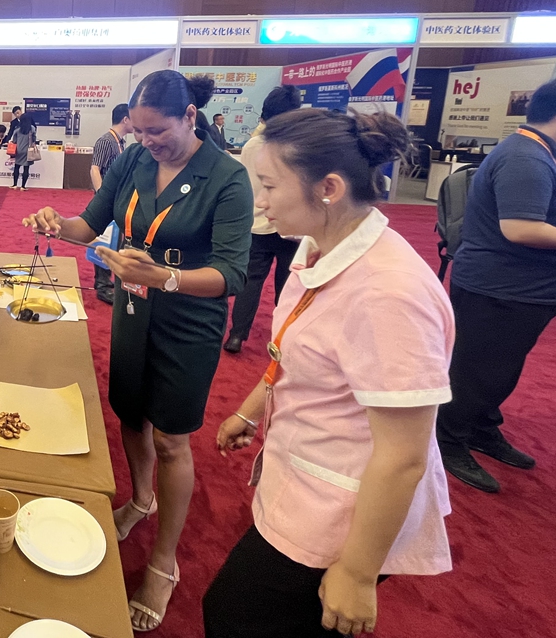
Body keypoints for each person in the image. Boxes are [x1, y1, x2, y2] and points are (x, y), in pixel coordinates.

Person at [208, 108, 453, 638]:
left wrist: (359, 573)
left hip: (346, 508)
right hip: (306, 468)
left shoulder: (390, 293)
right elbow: (295, 345)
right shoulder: (321, 245)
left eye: (270, 185)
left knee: (233, 615)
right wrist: (252, 408)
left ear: (329, 188)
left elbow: (405, 456)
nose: (261, 201)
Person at [24, 71, 252, 632]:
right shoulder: (132, 161)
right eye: (141, 131)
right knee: (130, 412)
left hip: (187, 321)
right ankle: (142, 499)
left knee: (173, 439)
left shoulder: (227, 177)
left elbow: (232, 273)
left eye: (159, 131)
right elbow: (90, 223)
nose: (148, 141)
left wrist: (166, 277)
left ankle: (163, 561)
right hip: (132, 308)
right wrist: (58, 225)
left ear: (190, 118)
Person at [437, 78, 556, 493]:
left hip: (520, 288)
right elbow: (520, 227)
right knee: (475, 373)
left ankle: (481, 429)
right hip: (499, 288)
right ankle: (447, 440)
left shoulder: (536, 151)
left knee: (499, 370)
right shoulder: (527, 157)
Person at [225, 85, 304, 353]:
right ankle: (283, 338)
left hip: (256, 224)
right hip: (290, 227)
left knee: (251, 282)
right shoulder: (296, 148)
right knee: (287, 284)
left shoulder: (252, 145)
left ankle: (236, 335)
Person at [90, 103, 133, 304]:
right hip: (107, 202)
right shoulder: (106, 141)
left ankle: (108, 283)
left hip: (118, 202)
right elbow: (95, 169)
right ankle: (103, 285)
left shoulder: (121, 142)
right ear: (125, 119)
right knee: (104, 242)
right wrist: (102, 197)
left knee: (115, 243)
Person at [8, 111, 38, 191]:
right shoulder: (32, 128)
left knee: (17, 167)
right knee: (26, 168)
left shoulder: (17, 129)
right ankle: (23, 186)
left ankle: (14, 185)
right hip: (28, 151)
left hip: (18, 150)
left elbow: (14, 141)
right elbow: (34, 139)